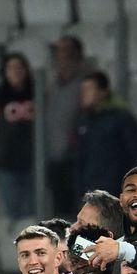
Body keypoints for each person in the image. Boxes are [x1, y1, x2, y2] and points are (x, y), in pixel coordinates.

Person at [72, 70, 137, 199]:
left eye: (89, 89)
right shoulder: (83, 121)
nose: (83, 94)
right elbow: (80, 159)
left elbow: (136, 153)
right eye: (82, 90)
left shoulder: (121, 118)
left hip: (116, 190)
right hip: (91, 191)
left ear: (103, 92)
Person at [0, 53, 36, 218]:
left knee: (33, 213)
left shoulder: (38, 93)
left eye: (19, 67)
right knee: (14, 212)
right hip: (6, 164)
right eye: (11, 68)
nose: (15, 72)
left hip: (34, 163)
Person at [45, 36, 94, 214]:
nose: (63, 56)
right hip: (54, 158)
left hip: (78, 158)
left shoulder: (86, 83)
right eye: (60, 51)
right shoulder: (51, 84)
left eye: (67, 51)